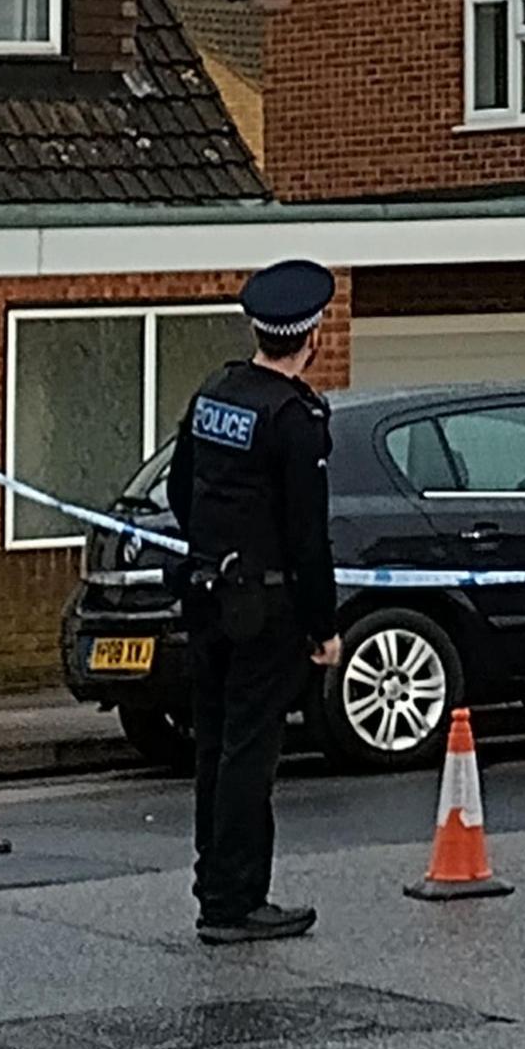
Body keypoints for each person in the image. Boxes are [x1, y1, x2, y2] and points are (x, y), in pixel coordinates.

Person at [169, 259, 341, 945]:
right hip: (264, 608)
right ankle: (239, 900)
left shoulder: (216, 393)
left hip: (207, 591)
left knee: (213, 745)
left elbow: (183, 490)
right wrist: (323, 625)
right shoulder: (295, 418)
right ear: (313, 335)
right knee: (249, 751)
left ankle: (213, 885)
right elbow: (308, 537)